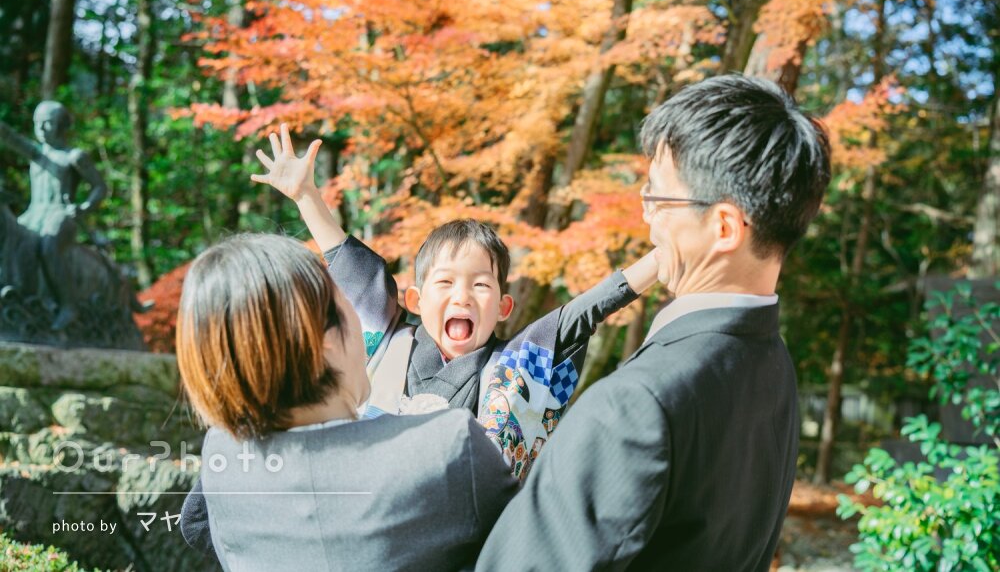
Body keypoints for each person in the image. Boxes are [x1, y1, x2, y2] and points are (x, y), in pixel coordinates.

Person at [476, 74, 832, 571]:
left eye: (659, 199)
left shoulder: (633, 407)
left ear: (724, 226)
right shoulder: (771, 362)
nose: (648, 217)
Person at [250, 125, 659, 476]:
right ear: (415, 299)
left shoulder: (511, 365)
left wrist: (665, 257)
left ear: (504, 307)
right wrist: (306, 196)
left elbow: (582, 314)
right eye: (444, 282)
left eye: (481, 285)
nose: (462, 296)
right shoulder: (390, 336)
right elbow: (350, 267)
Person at [176, 233, 518, 570]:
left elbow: (195, 525)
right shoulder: (450, 444)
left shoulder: (221, 456)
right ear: (324, 340)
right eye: (347, 305)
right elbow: (528, 541)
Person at [0, 102, 107, 329]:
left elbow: (99, 187)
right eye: (37, 123)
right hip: (33, 213)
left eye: (48, 122)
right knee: (10, 239)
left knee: (49, 247)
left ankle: (69, 305)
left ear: (60, 125)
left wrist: (84, 207)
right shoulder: (35, 153)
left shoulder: (74, 157)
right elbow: (9, 136)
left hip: (60, 214)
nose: (42, 128)